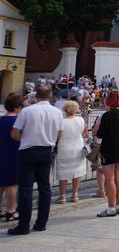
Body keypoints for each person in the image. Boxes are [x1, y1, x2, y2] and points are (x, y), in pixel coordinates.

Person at [8, 86, 62, 235]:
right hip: (46, 150)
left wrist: (25, 139)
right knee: (45, 187)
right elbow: (59, 133)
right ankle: (41, 223)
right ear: (50, 96)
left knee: (26, 188)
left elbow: (14, 133)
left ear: (36, 96)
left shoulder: (27, 111)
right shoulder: (57, 112)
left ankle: (23, 225)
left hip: (28, 150)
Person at [96, 91, 119, 217]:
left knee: (110, 179)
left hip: (109, 149)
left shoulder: (107, 115)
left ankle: (111, 208)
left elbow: (100, 134)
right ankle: (118, 205)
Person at [55, 101, 88, 203]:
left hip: (64, 148)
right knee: (76, 172)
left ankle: (62, 195)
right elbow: (85, 134)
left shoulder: (61, 122)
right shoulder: (81, 120)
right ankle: (75, 194)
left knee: (63, 173)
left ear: (65, 110)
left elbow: (57, 136)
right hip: (77, 147)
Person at [0, 94, 22, 223]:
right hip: (13, 152)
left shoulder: (1, 119)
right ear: (17, 107)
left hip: (1, 152)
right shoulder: (17, 121)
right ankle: (11, 210)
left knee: (1, 183)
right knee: (11, 183)